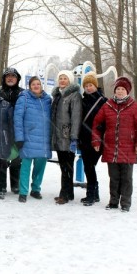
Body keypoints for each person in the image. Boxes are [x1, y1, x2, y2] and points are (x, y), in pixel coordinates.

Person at [92, 76, 137, 212]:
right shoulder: (107, 105)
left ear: (127, 91)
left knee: (126, 178)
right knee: (114, 177)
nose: (120, 91)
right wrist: (96, 140)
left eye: (122, 89)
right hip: (111, 148)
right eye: (118, 89)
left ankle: (125, 203)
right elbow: (97, 124)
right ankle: (114, 201)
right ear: (115, 91)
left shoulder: (134, 106)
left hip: (128, 148)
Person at [14, 76, 52, 203]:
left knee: (40, 166)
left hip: (43, 139)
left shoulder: (47, 100)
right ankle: (23, 192)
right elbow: (17, 119)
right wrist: (19, 137)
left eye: (38, 84)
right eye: (33, 84)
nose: (36, 86)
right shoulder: (23, 98)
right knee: (25, 166)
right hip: (28, 138)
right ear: (29, 86)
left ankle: (36, 189)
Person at [51, 70, 82, 205]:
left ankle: (65, 194)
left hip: (68, 136)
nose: (62, 80)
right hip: (58, 136)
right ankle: (68, 193)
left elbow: (76, 117)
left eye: (65, 78)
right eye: (60, 78)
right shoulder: (57, 95)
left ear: (69, 80)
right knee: (63, 166)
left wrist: (74, 138)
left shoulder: (74, 96)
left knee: (67, 167)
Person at [78, 72, 108, 206]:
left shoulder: (103, 101)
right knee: (88, 167)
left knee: (90, 166)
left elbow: (107, 120)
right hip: (84, 138)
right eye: (86, 86)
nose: (88, 88)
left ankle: (91, 194)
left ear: (95, 86)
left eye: (90, 85)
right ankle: (94, 194)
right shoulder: (82, 100)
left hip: (98, 139)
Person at [0, 67, 24, 194]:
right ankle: (2, 186)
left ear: (17, 79)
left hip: (17, 130)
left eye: (13, 76)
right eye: (7, 76)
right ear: (4, 78)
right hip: (1, 131)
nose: (10, 78)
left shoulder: (23, 93)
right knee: (2, 160)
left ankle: (15, 185)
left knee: (16, 160)